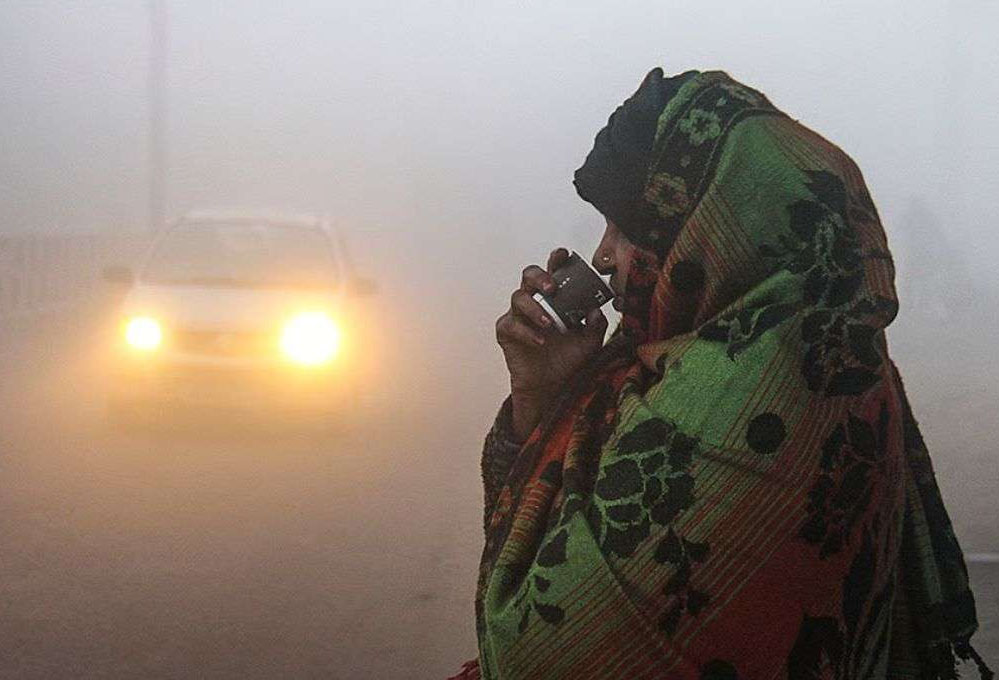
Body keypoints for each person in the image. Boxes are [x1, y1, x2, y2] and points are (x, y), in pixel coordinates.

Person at [449, 68, 993, 680]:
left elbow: (539, 652)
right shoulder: (831, 363)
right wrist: (542, 397)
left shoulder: (758, 405)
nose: (601, 255)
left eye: (624, 228)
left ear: (706, 232)